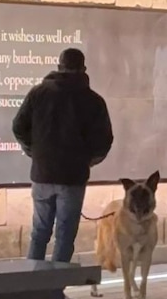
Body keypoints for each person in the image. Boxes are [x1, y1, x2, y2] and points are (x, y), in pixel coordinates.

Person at [10, 47, 113, 265]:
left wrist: (35, 152)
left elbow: (18, 127)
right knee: (64, 237)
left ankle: (31, 288)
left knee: (39, 232)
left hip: (42, 174)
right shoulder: (94, 101)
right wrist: (87, 161)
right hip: (73, 178)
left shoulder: (38, 94)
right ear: (84, 69)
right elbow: (104, 141)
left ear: (58, 67)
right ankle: (55, 292)